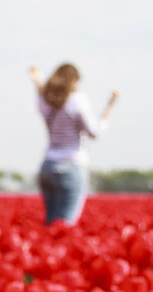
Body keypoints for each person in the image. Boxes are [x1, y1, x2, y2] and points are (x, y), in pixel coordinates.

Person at [29, 63, 118, 225]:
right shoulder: (77, 101)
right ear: (73, 81)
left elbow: (41, 93)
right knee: (64, 228)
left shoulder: (44, 102)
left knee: (50, 225)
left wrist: (36, 80)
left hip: (48, 166)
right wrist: (109, 107)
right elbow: (94, 132)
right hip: (71, 165)